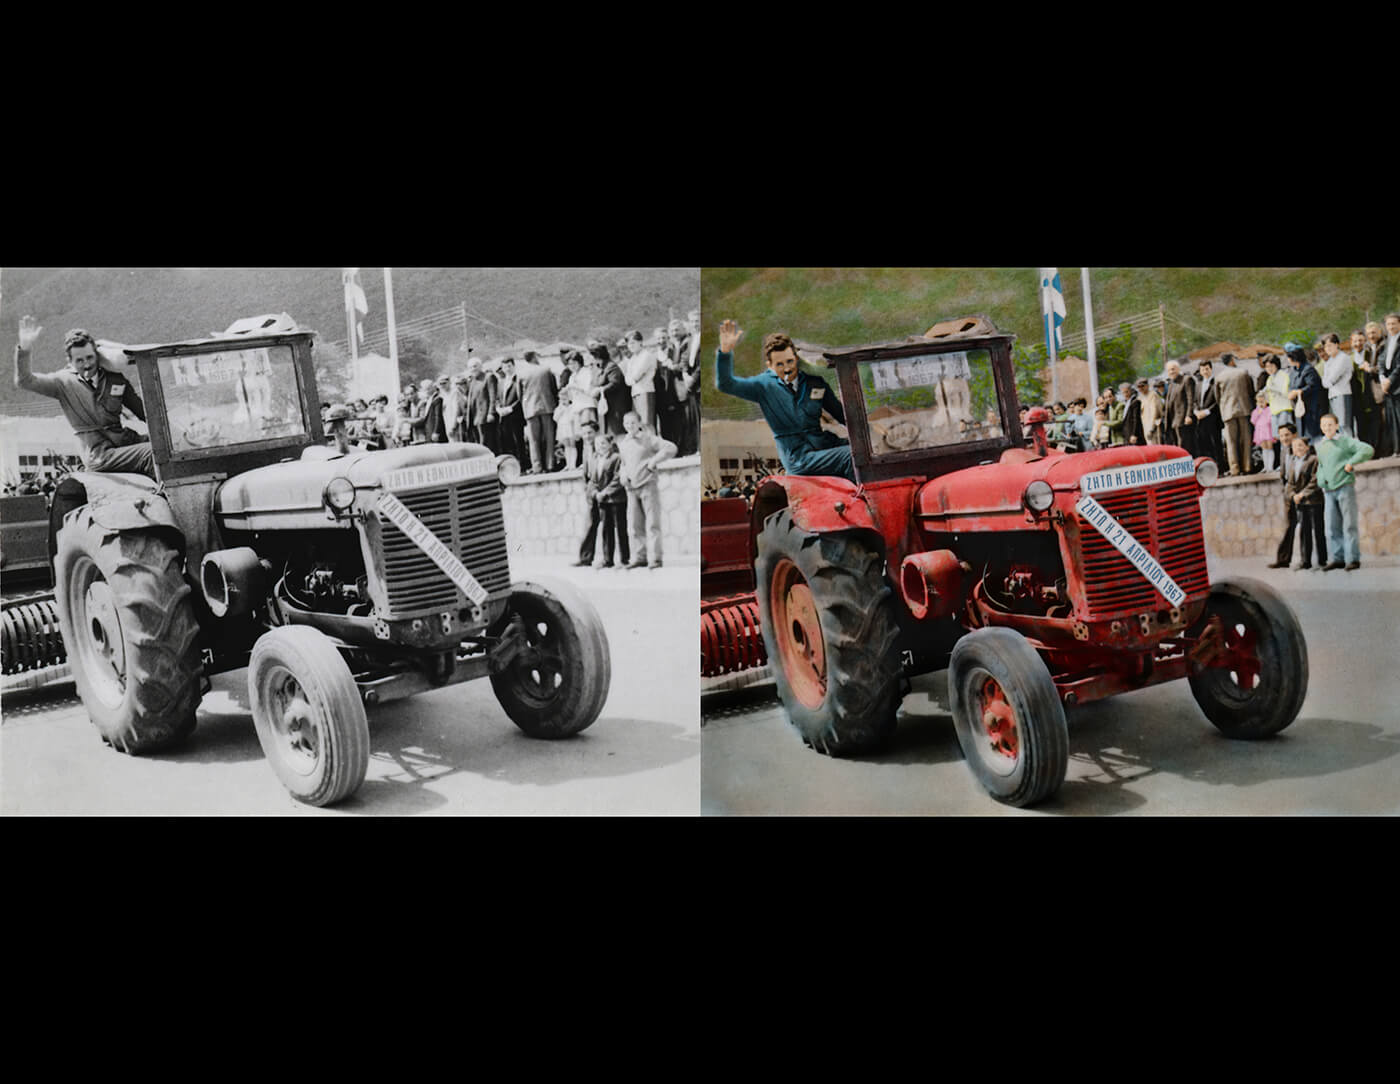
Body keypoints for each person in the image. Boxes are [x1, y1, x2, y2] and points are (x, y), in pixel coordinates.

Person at [13, 317, 155, 478]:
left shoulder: (115, 378)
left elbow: (144, 411)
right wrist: (25, 348)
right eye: (79, 360)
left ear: (97, 355)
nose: (86, 364)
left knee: (169, 446)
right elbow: (25, 381)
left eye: (89, 357)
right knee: (152, 452)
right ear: (70, 361)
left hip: (125, 442)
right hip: (100, 455)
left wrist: (173, 432)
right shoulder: (62, 383)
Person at [714, 319, 855, 482]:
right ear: (770, 365)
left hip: (826, 445)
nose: (787, 368)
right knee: (851, 457)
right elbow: (726, 384)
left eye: (790, 361)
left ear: (796, 358)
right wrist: (725, 353)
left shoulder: (815, 383)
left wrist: (872, 431)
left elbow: (843, 416)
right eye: (780, 364)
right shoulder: (763, 386)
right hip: (800, 458)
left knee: (863, 452)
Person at [618, 410, 677, 569]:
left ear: (639, 423)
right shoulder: (623, 443)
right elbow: (623, 464)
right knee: (635, 525)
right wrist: (623, 476)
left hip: (648, 484)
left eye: (633, 422)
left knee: (652, 524)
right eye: (627, 423)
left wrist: (654, 462)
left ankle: (656, 559)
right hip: (631, 488)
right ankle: (639, 557)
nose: (630, 426)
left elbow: (670, 448)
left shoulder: (649, 439)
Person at [1315, 411, 1373, 571]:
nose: (1327, 427)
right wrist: (1321, 481)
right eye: (1324, 425)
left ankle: (1353, 559)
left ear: (1336, 426)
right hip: (1328, 490)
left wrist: (1351, 463)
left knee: (1349, 525)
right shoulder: (1321, 445)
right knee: (1332, 527)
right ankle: (1338, 558)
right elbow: (1320, 466)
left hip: (1344, 487)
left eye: (1330, 424)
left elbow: (1367, 450)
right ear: (1321, 427)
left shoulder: (1345, 441)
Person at [1279, 436, 1325, 571]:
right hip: (1301, 502)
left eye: (1300, 446)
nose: (1297, 449)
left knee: (1318, 530)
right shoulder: (1293, 462)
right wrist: (1293, 495)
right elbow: (1290, 483)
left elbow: (1315, 480)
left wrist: (1302, 494)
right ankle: (1306, 561)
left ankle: (1322, 560)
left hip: (1314, 500)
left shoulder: (1314, 460)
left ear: (1307, 447)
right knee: (1304, 532)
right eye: (1294, 446)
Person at [592, 432, 629, 568]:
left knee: (620, 529)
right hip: (602, 500)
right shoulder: (595, 459)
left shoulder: (616, 458)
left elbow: (617, 478)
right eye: (597, 444)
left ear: (609, 444)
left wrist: (605, 492)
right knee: (606, 530)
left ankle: (624, 559)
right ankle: (608, 560)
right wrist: (596, 493)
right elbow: (593, 480)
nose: (600, 446)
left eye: (603, 443)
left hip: (616, 499)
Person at [1216, 354, 1255, 476]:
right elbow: (1250, 391)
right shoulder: (1243, 373)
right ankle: (1247, 466)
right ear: (1232, 360)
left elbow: (1217, 397)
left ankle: (1234, 468)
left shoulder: (1219, 377)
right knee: (1246, 438)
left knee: (1231, 442)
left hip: (1227, 411)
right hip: (1244, 408)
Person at [519, 350, 558, 473]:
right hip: (547, 406)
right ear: (535, 357)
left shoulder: (521, 374)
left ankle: (537, 466)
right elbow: (554, 389)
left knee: (533, 440)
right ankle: (550, 464)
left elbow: (519, 394)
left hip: (530, 409)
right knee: (549, 437)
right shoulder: (546, 370)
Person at [573, 419, 604, 567]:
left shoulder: (603, 446)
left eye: (590, 433)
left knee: (609, 525)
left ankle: (609, 558)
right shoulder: (585, 449)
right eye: (584, 433)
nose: (587, 436)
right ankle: (585, 557)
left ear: (596, 432)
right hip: (591, 491)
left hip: (604, 489)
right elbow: (585, 471)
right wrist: (587, 488)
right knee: (590, 523)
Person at [1285, 343, 1325, 443]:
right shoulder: (1293, 371)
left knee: (1314, 436)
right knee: (1303, 436)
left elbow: (1312, 386)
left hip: (1311, 409)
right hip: (1299, 410)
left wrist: (1298, 392)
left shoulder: (1308, 370)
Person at [623, 330, 659, 433]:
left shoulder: (646, 355)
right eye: (629, 344)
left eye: (633, 342)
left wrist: (632, 378)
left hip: (645, 391)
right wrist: (632, 378)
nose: (630, 346)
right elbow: (628, 380)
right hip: (635, 392)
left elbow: (635, 376)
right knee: (638, 423)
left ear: (640, 342)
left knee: (647, 422)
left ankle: (652, 446)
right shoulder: (632, 359)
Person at [1320, 333, 1354, 436]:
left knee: (1344, 424)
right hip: (1332, 394)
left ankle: (1350, 449)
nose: (1328, 348)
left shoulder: (1343, 358)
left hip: (1342, 393)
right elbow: (1324, 382)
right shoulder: (1328, 362)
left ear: (1337, 344)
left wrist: (1328, 381)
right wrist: (1328, 381)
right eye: (1325, 346)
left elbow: (1332, 379)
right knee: (1337, 425)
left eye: (1330, 345)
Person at [1377, 313, 1400, 458]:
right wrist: (1382, 378)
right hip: (1388, 388)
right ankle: (1397, 450)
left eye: (1394, 323)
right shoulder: (1386, 342)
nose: (1391, 326)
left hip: (1397, 386)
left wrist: (1389, 380)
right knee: (1393, 421)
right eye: (1389, 324)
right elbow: (1381, 362)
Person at [1164, 359, 1198, 454]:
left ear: (1178, 369)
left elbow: (1191, 399)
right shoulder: (1171, 384)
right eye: (1169, 370)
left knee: (1186, 447)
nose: (1171, 372)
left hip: (1184, 420)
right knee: (1178, 448)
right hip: (1173, 422)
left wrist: (1189, 415)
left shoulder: (1186, 380)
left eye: (1173, 369)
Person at [1251, 391, 1276, 473]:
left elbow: (1270, 419)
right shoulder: (1256, 411)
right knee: (1264, 448)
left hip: (1268, 430)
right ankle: (1266, 466)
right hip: (1260, 431)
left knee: (1270, 447)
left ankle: (1270, 467)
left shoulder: (1269, 409)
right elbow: (1253, 421)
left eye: (1262, 401)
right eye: (1259, 402)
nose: (1260, 404)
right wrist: (1258, 413)